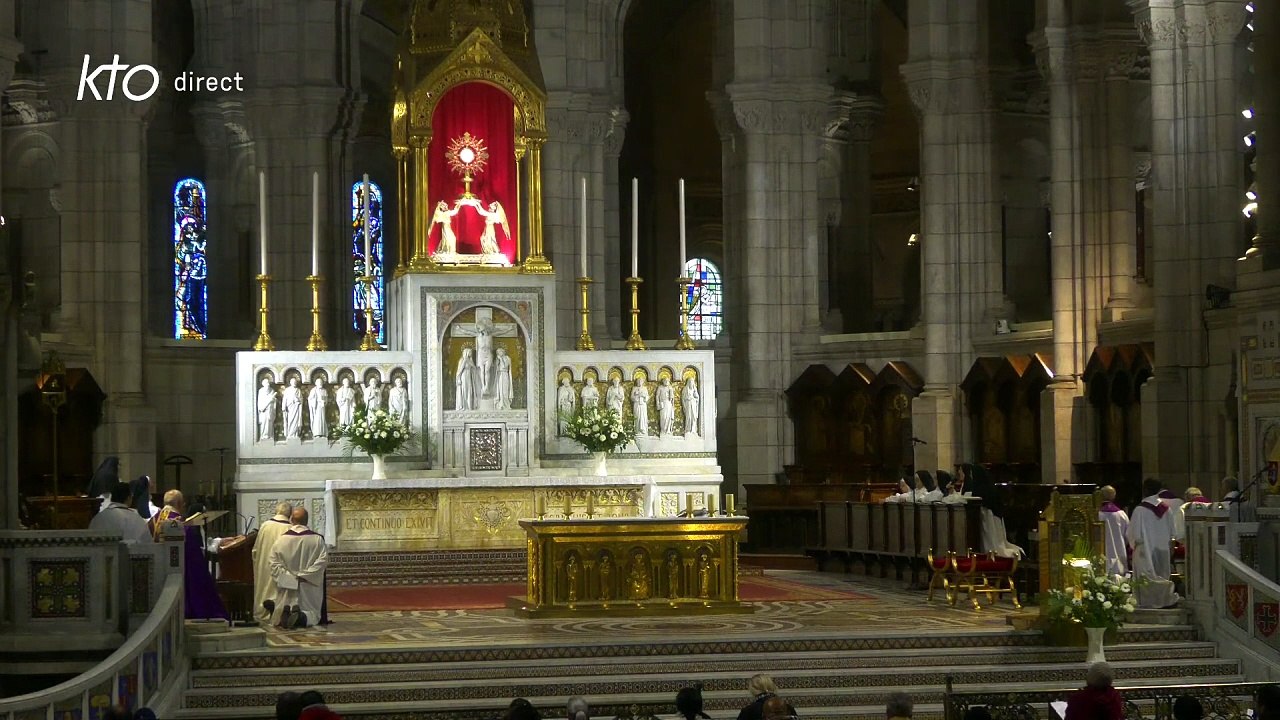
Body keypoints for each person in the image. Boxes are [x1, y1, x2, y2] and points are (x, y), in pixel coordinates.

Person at [150, 489, 230, 621]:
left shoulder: (152, 522)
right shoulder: (181, 524)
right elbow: (194, 560)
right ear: (180, 504)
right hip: (179, 574)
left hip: (157, 572)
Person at [268, 507, 328, 629]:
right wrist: (304, 576)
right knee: (311, 611)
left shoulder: (281, 540)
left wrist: (290, 578)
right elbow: (322, 561)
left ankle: (284, 612)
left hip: (288, 585)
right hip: (308, 584)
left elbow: (273, 563)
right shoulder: (317, 540)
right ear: (307, 520)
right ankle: (301, 617)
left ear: (291, 520)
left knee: (286, 602)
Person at [1128, 477, 1179, 608]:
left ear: (1144, 490)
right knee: (1161, 573)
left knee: (1146, 577)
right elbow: (1173, 533)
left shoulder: (1139, 510)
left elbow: (1132, 534)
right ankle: (1163, 600)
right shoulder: (1166, 509)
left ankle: (1146, 602)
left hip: (1145, 549)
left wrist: (1134, 545)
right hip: (1163, 550)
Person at [961, 463, 1023, 558]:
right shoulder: (987, 486)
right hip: (991, 517)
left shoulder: (982, 488)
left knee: (992, 543)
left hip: (988, 517)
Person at [254, 502, 294, 623]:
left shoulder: (265, 525)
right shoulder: (289, 528)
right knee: (278, 589)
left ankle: (262, 610)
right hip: (280, 565)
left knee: (264, 587)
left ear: (276, 511)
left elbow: (255, 549)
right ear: (290, 514)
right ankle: (277, 610)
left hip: (264, 564)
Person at [1098, 485, 1130, 576]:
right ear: (1114, 496)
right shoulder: (1121, 515)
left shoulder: (1096, 514)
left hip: (1101, 554)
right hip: (1119, 553)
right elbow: (1128, 535)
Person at [258, 377, 278, 442]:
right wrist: (262, 407)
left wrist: (273, 400)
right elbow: (260, 401)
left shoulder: (272, 390)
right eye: (266, 383)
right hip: (264, 410)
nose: (268, 384)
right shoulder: (261, 391)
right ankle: (264, 435)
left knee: (269, 423)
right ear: (263, 384)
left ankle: (269, 435)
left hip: (270, 410)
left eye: (268, 383)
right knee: (264, 423)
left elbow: (274, 401)